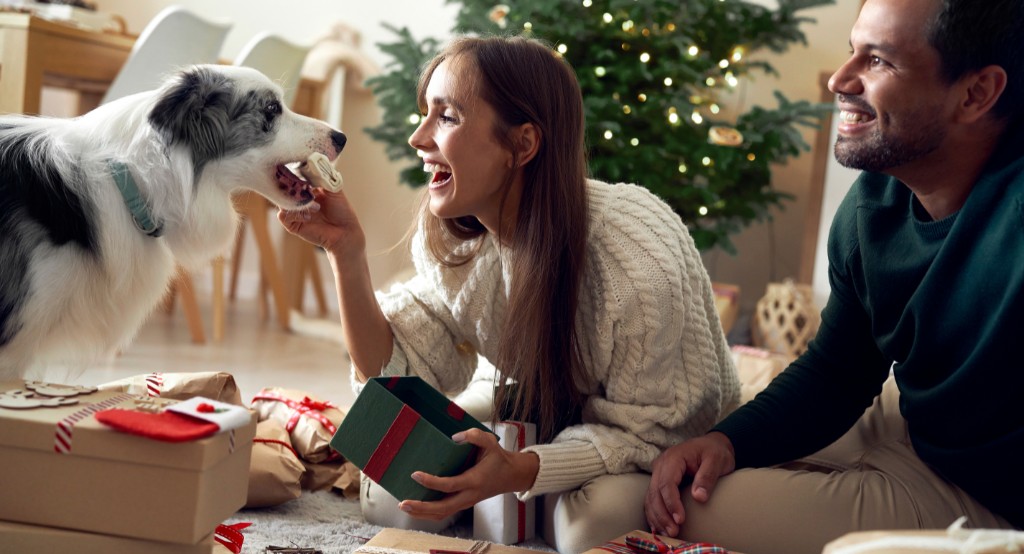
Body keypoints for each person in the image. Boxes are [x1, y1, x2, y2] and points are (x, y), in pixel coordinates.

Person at [279, 35, 740, 553]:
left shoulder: (635, 259)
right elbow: (396, 377)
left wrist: (521, 469)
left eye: (446, 116)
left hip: (663, 429)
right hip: (540, 399)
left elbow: (652, 429)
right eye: (423, 113)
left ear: (522, 144)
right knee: (394, 488)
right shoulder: (458, 240)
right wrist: (347, 252)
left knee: (586, 528)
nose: (418, 137)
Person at [644, 0, 1024, 552]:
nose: (840, 80)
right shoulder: (873, 204)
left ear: (977, 93)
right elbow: (839, 371)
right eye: (853, 50)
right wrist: (729, 441)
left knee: (662, 516)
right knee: (632, 488)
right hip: (920, 426)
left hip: (986, 492)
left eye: (879, 61)